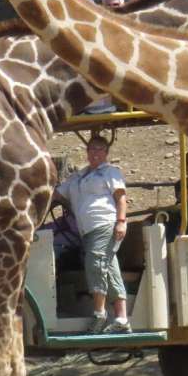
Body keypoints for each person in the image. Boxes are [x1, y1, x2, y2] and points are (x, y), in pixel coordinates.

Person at [53, 135, 131, 334]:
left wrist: (121, 222)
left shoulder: (110, 172)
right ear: (87, 152)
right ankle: (122, 318)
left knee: (95, 263)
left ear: (106, 153)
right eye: (92, 149)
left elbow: (121, 199)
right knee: (109, 267)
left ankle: (99, 314)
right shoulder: (78, 177)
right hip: (86, 230)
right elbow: (56, 195)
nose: (95, 153)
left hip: (104, 223)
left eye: (100, 149)